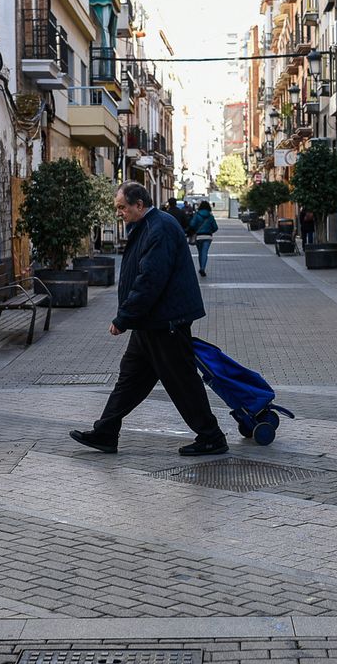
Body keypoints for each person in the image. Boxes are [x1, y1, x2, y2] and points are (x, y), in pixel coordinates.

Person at [70, 182, 228, 457]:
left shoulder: (161, 228)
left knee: (182, 381)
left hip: (165, 322)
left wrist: (124, 317)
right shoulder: (148, 226)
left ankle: (211, 436)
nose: (119, 213)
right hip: (150, 323)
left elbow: (150, 280)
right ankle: (106, 431)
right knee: (130, 379)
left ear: (138, 205)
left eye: (122, 207)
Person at [188, 200, 219, 277]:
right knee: (205, 252)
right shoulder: (210, 216)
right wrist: (210, 230)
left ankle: (201, 267)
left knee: (200, 252)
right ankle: (202, 268)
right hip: (208, 236)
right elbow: (215, 227)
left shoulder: (197, 215)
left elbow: (192, 224)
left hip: (198, 236)